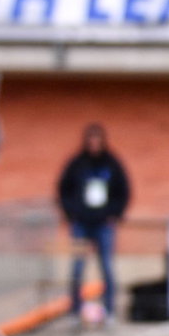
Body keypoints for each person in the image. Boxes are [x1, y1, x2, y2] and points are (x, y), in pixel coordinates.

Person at [56, 123, 129, 322]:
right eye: (91, 140)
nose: (94, 144)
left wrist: (115, 213)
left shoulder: (112, 163)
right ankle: (75, 310)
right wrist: (71, 213)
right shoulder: (77, 163)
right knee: (77, 267)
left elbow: (123, 191)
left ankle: (109, 310)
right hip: (81, 223)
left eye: (98, 140)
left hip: (103, 224)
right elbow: (63, 189)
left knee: (106, 266)